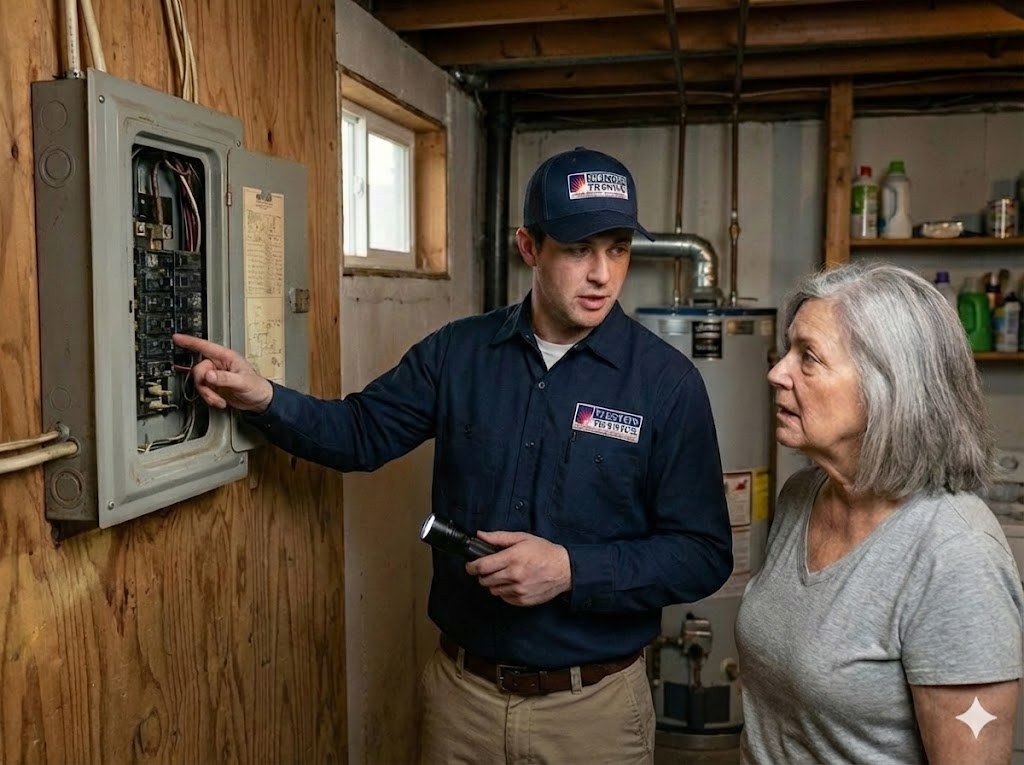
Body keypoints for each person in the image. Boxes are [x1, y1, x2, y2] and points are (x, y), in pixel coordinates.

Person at [174, 147, 732, 764]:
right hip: (462, 701)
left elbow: (703, 555)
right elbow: (359, 433)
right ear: (529, 247)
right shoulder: (459, 355)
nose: (603, 273)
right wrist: (262, 397)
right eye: (578, 249)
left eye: (618, 248)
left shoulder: (667, 385)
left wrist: (572, 569)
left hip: (592, 713)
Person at [736, 262, 1024, 764]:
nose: (777, 373)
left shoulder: (956, 557)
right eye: (787, 350)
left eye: (808, 357)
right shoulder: (803, 494)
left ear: (886, 387)